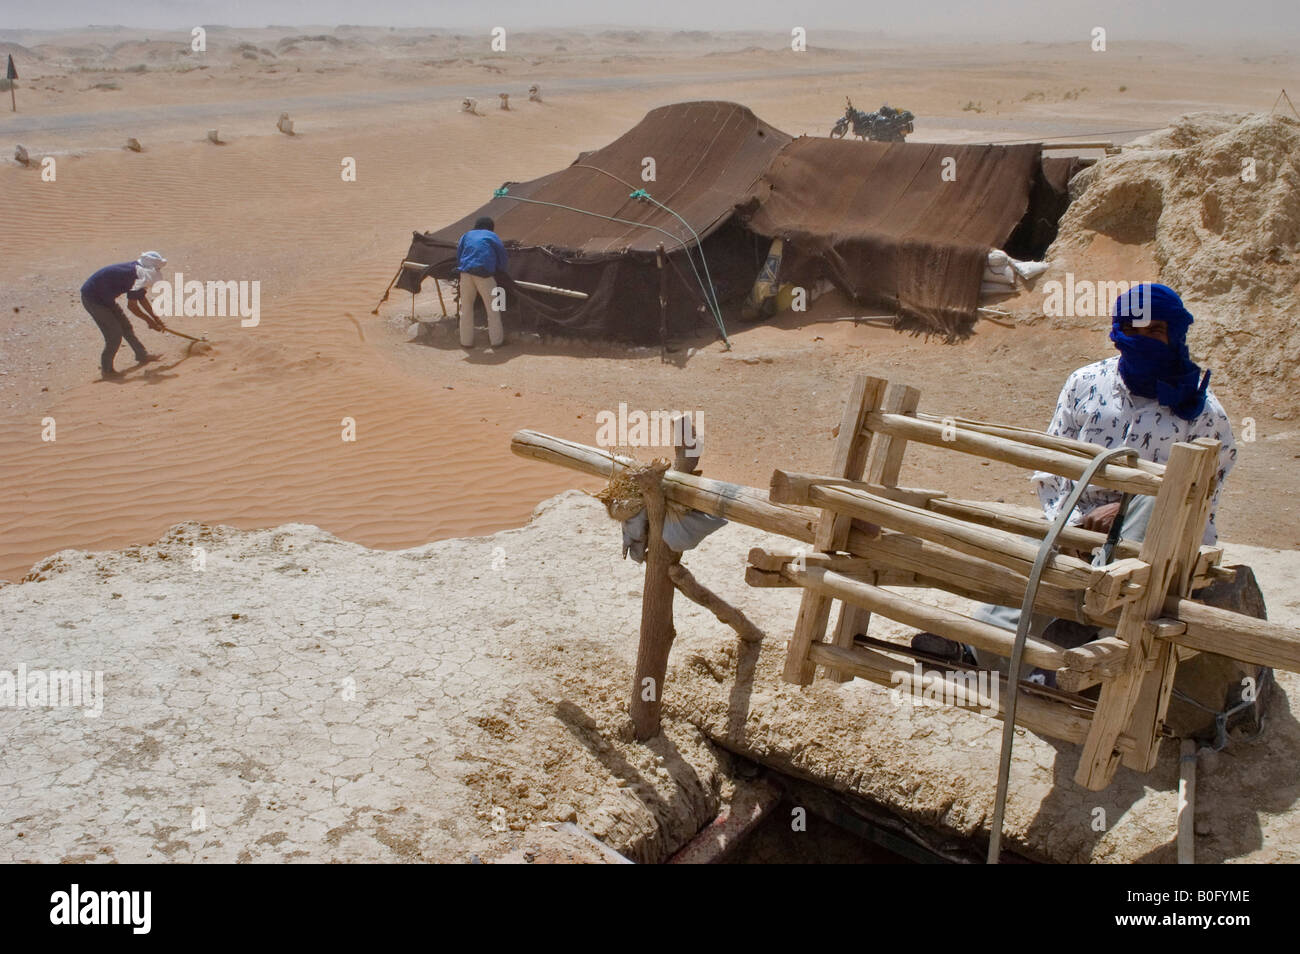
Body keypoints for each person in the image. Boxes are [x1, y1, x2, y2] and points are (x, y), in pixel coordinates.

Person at [918, 284, 1238, 678]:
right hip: (1075, 522)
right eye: (1133, 330)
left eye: (1155, 331)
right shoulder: (1086, 384)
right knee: (1031, 557)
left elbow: (1204, 496)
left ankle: (1099, 661)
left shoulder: (1204, 414)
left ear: (1175, 334)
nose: (1143, 340)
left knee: (1156, 502)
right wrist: (1073, 528)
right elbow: (1053, 463)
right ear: (1119, 331)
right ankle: (977, 651)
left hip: (1156, 541)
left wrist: (1123, 513)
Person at [81, 251, 168, 379]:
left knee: (126, 327)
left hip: (106, 298)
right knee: (114, 334)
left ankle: (141, 355)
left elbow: (141, 298)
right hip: (93, 299)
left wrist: (155, 318)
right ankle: (107, 371)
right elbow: (132, 306)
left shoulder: (138, 271)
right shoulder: (136, 275)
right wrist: (149, 321)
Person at [456, 217, 509, 349]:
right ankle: (496, 341)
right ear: (490, 227)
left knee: (466, 309)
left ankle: (466, 342)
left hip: (465, 273)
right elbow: (502, 256)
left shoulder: (466, 235)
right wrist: (500, 270)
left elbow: (459, 254)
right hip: (484, 275)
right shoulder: (492, 236)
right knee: (493, 309)